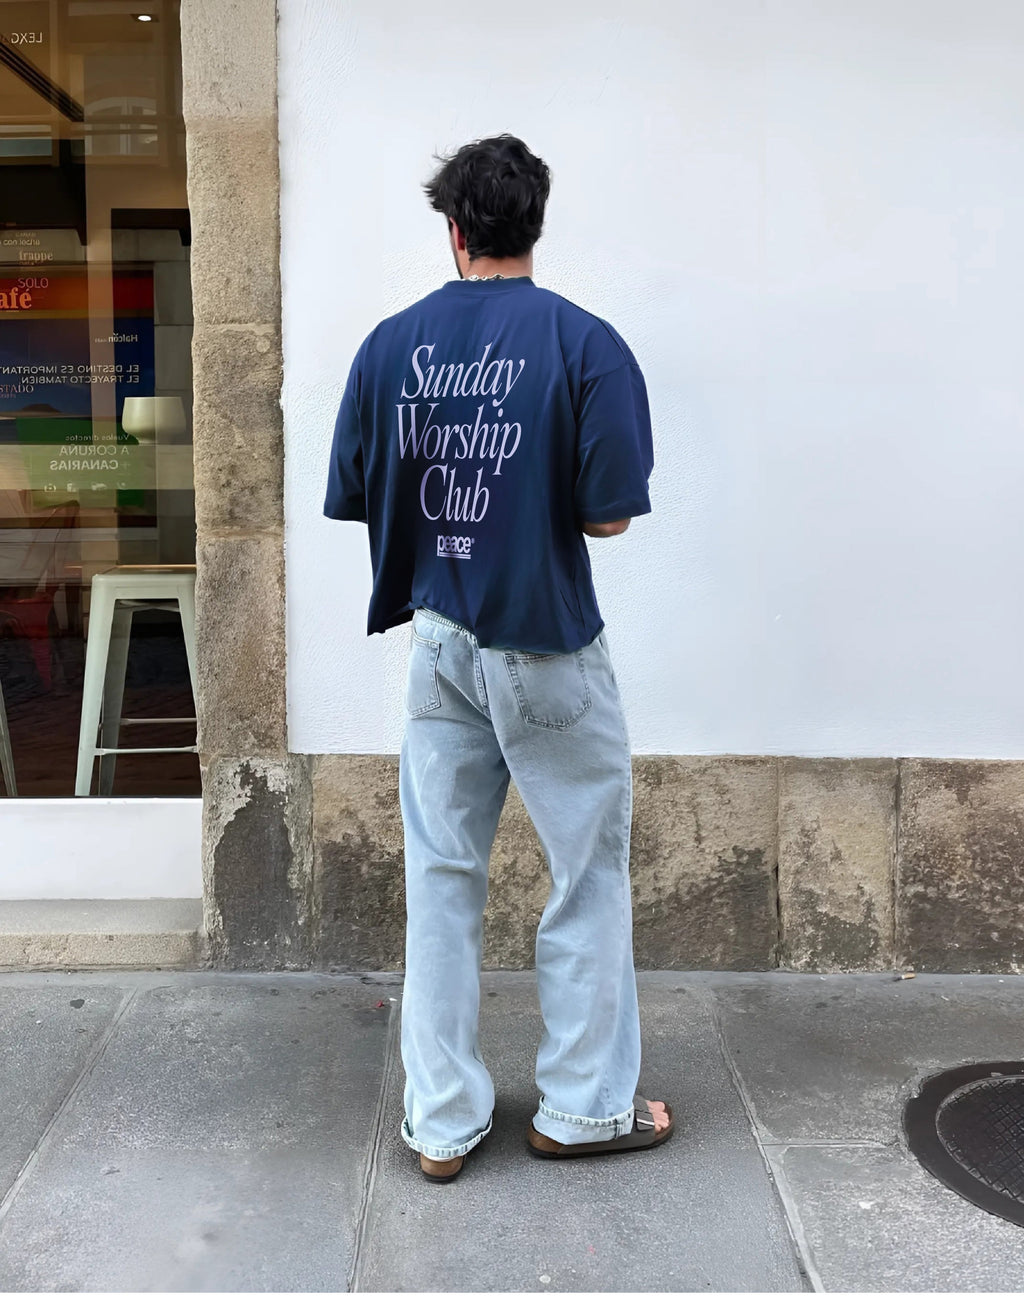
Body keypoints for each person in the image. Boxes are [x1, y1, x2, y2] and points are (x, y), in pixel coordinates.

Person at [323, 134, 672, 1182]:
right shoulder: (584, 343)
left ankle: (440, 1122)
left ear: (453, 229)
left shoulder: (390, 346)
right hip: (547, 645)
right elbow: (607, 521)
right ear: (533, 223)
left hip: (438, 643)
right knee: (585, 874)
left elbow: (357, 495)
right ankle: (581, 1108)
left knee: (438, 880)